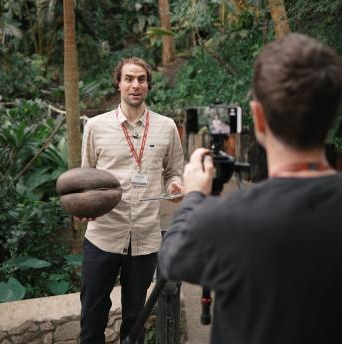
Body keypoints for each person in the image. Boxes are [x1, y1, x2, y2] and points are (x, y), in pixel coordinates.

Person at [158, 33, 342, 344]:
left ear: (258, 118)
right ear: (333, 113)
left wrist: (194, 196)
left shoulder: (223, 222)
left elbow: (172, 258)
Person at [79, 57, 184, 344]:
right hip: (103, 236)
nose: (135, 85)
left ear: (148, 84)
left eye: (141, 79)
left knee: (135, 322)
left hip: (145, 240)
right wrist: (84, 206)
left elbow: (175, 171)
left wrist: (175, 184)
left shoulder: (166, 127)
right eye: (129, 79)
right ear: (118, 83)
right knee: (91, 318)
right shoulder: (96, 127)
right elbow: (85, 177)